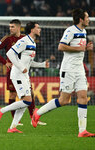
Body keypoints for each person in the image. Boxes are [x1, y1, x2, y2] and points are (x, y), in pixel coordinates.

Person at [31, 8, 95, 138]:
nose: (89, 19)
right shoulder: (71, 30)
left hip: (79, 69)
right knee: (64, 100)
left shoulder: (84, 31)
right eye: (87, 17)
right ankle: (37, 113)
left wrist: (86, 48)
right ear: (81, 19)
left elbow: (79, 49)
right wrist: (79, 48)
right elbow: (61, 46)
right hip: (68, 69)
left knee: (83, 97)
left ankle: (82, 131)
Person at [0, 22, 49, 133]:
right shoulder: (24, 41)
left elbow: (29, 63)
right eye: (37, 27)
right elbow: (10, 53)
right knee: (27, 101)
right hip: (18, 74)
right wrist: (20, 67)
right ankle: (1, 111)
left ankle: (12, 127)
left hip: (24, 75)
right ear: (32, 29)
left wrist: (42, 65)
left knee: (26, 102)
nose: (40, 29)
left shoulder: (32, 42)